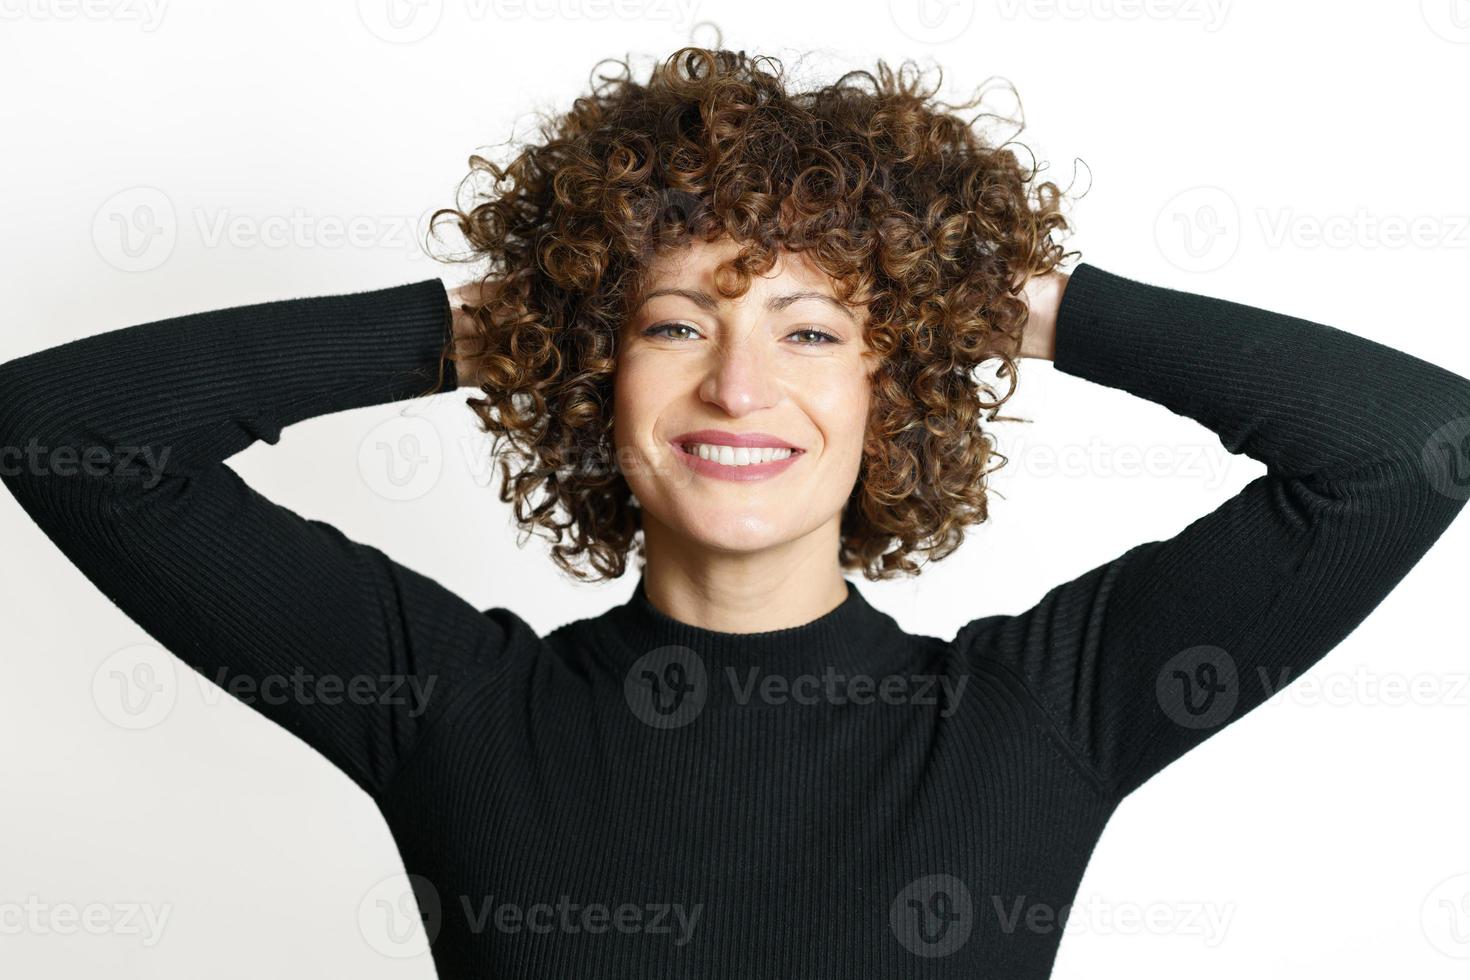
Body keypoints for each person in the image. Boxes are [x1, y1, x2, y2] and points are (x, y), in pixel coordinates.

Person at [3, 45, 1469, 979]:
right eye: (673, 327)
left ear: (896, 392)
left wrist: (998, 296)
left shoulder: (1040, 715)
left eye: (812, 331)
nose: (738, 385)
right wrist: (505, 321)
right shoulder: (443, 705)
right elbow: (62, 429)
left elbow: (1410, 444)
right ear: (595, 375)